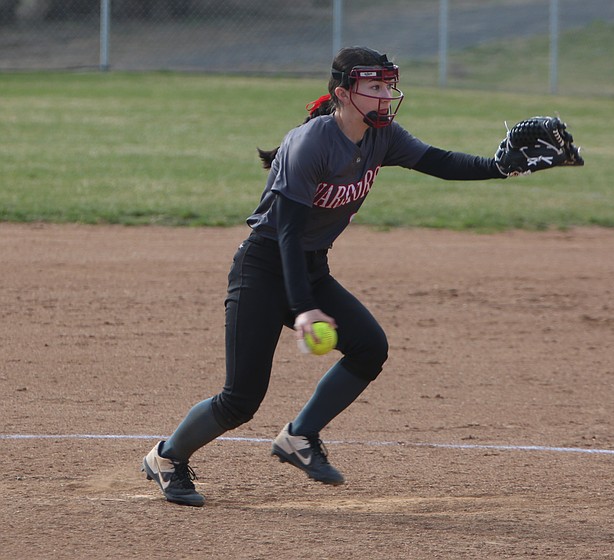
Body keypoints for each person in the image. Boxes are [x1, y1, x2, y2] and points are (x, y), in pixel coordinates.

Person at [141, 46, 573, 507]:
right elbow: (286, 234)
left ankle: (299, 437)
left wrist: (498, 167)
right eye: (374, 87)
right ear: (344, 93)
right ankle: (166, 458)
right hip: (265, 268)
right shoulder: (311, 143)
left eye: (388, 87)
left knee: (370, 347)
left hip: (310, 266)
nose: (385, 97)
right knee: (241, 400)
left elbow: (438, 161)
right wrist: (304, 307)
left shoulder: (380, 136)